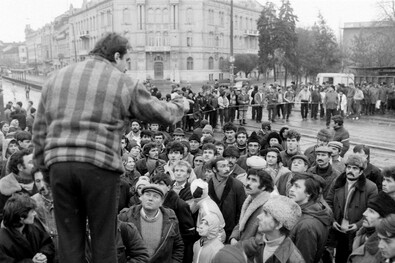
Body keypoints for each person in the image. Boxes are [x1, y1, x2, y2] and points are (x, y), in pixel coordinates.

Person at [32, 33, 187, 263]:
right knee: (104, 240)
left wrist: (47, 174)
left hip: (60, 167)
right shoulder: (122, 81)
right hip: (100, 168)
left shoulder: (56, 78)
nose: (126, 68)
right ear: (116, 56)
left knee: (69, 243)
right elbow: (162, 114)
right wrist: (180, 104)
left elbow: (39, 133)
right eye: (127, 61)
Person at [326, 154, 378, 263]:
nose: (350, 170)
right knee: (339, 256)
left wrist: (358, 225)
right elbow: (328, 203)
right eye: (348, 167)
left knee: (353, 258)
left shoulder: (371, 188)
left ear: (361, 171)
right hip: (338, 229)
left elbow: (372, 210)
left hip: (356, 232)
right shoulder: (337, 182)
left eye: (355, 168)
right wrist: (333, 220)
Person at [119, 184, 184, 263]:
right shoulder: (126, 216)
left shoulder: (170, 218)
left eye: (155, 196)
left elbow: (178, 246)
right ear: (141, 197)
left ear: (161, 202)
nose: (150, 199)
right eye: (147, 195)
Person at [240, 195, 304, 263]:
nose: (259, 217)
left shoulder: (294, 260)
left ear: (279, 225)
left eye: (266, 214)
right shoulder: (256, 242)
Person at [288, 172, 332, 263]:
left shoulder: (307, 225)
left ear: (308, 193)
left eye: (297, 186)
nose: (291, 189)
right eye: (292, 185)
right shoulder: (303, 212)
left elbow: (303, 259)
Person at [152, 172, 196, 263]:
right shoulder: (152, 204)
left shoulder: (180, 205)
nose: (157, 186)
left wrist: (171, 240)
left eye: (161, 184)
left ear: (168, 187)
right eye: (154, 183)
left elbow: (189, 233)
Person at [0, 194, 55, 262]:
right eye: (32, 211)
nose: (35, 213)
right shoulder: (2, 241)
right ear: (21, 218)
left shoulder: (33, 228)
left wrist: (43, 255)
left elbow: (47, 243)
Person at [348, 192, 395, 263]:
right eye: (367, 209)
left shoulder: (383, 249)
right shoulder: (361, 234)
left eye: (371, 212)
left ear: (383, 218)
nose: (364, 213)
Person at [230, 169, 274, 244]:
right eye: (248, 179)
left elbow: (261, 238)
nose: (248, 183)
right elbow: (241, 222)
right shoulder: (249, 200)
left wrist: (240, 246)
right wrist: (234, 237)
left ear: (263, 187)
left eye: (254, 180)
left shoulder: (267, 207)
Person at [208, 157, 246, 242]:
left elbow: (242, 210)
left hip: (231, 230)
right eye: (222, 166)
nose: (227, 169)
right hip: (212, 230)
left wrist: (236, 233)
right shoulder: (207, 185)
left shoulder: (237, 185)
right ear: (214, 169)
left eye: (228, 166)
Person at [0, 149, 36, 221]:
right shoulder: (3, 186)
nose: (36, 164)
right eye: (31, 162)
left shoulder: (42, 181)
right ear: (20, 167)